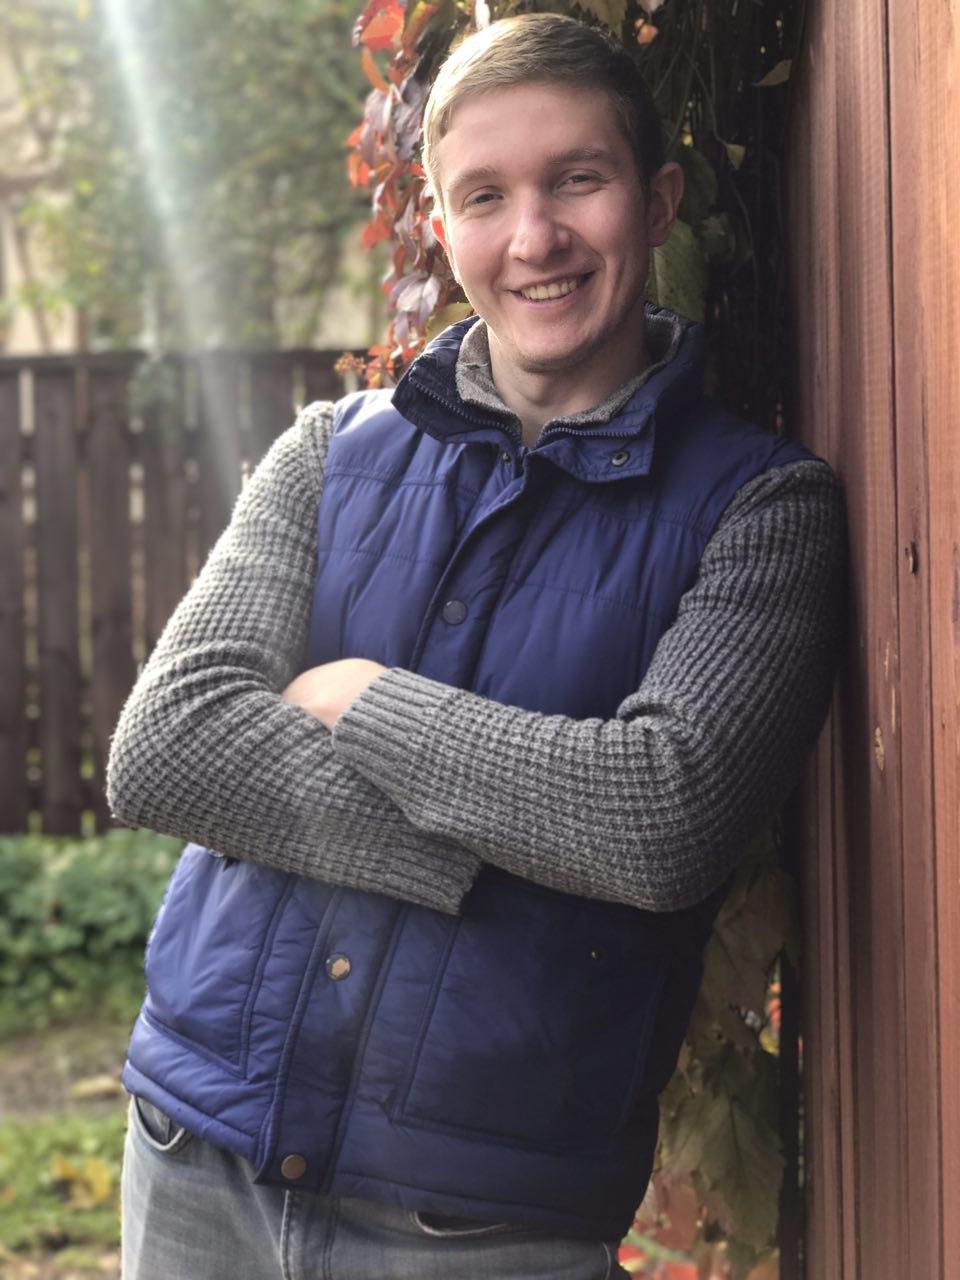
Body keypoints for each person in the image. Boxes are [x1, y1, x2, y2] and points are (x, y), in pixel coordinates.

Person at [106, 13, 845, 1280]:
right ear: (442, 227)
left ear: (659, 200)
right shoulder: (329, 456)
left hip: (487, 1233)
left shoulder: (761, 509)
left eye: (578, 179)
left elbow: (658, 818)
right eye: (486, 196)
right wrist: (522, 841)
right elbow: (167, 747)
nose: (534, 237)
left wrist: (358, 696)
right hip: (194, 1165)